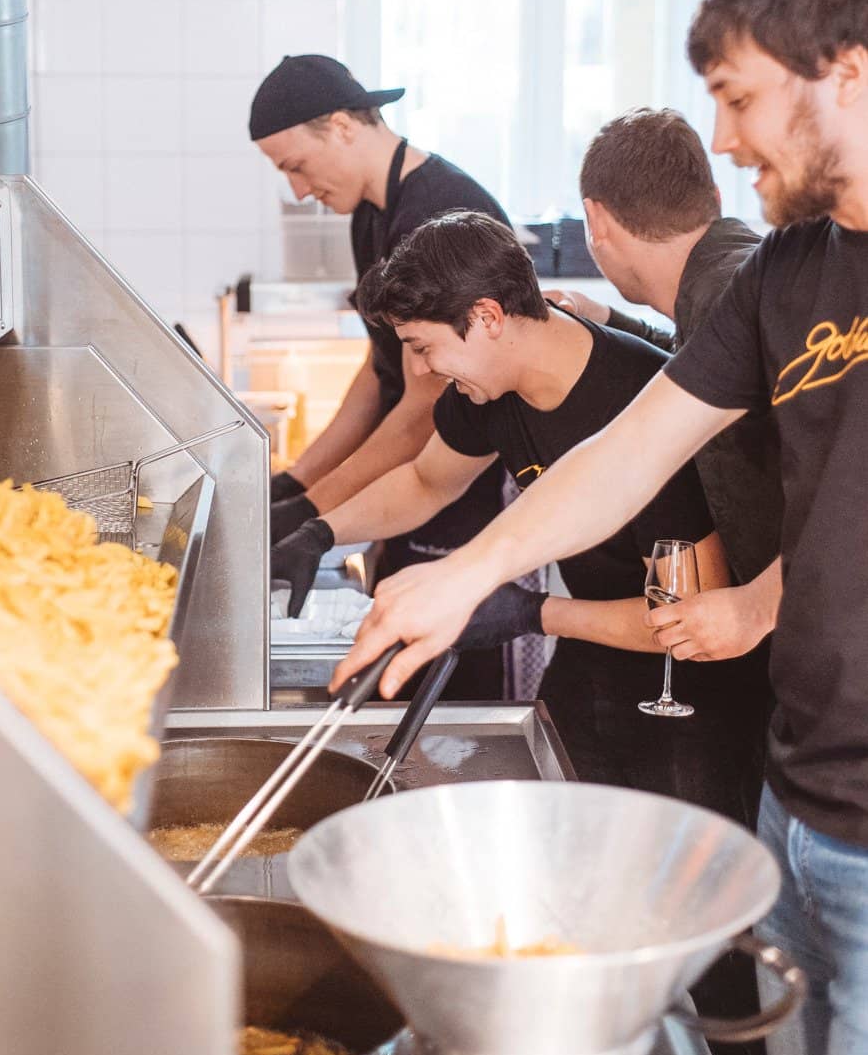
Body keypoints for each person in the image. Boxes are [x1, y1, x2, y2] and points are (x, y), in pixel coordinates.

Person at [333, 0, 868, 1055]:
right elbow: (631, 450)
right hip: (802, 791)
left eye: (737, 97)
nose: (721, 140)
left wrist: (758, 598)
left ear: (847, 71)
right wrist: (469, 574)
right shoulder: (787, 271)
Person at [273, 208, 768, 823]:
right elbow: (427, 482)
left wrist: (531, 612)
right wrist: (319, 532)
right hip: (592, 661)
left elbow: (690, 618)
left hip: (688, 700)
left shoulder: (636, 401)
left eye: (423, 348)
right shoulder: (487, 392)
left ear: (486, 318)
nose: (423, 372)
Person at [250, 53, 508, 696]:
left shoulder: (438, 212)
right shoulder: (373, 212)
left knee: (451, 703)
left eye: (296, 167)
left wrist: (315, 510)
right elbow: (380, 370)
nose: (300, 193)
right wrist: (298, 481)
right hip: (407, 489)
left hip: (460, 494)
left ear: (340, 126)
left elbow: (423, 407)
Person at [556, 108, 783, 668]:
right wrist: (608, 318)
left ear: (595, 220)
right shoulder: (734, 274)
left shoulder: (730, 300)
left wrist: (759, 606)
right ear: (713, 195)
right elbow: (699, 358)